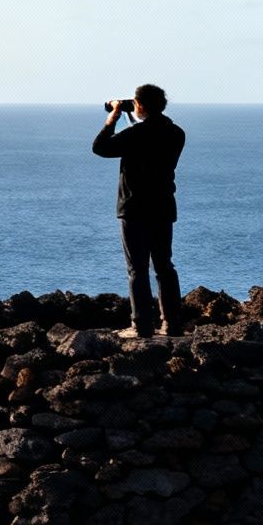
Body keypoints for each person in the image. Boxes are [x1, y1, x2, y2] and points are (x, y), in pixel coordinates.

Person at [92, 83, 186, 338]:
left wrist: (113, 115)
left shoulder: (135, 136)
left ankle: (143, 326)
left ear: (140, 105)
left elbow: (100, 147)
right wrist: (135, 114)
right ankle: (173, 324)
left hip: (134, 209)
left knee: (137, 269)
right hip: (163, 207)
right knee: (164, 266)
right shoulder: (176, 133)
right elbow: (152, 134)